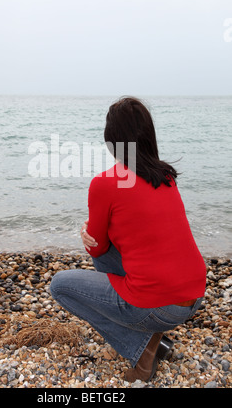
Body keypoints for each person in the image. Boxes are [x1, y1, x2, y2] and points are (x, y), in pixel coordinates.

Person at [50, 97, 206, 383]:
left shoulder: (105, 183)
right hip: (194, 295)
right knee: (106, 255)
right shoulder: (166, 176)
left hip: (161, 306)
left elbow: (96, 247)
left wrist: (88, 235)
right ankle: (152, 334)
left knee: (60, 285)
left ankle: (142, 349)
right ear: (148, 135)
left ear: (112, 141)